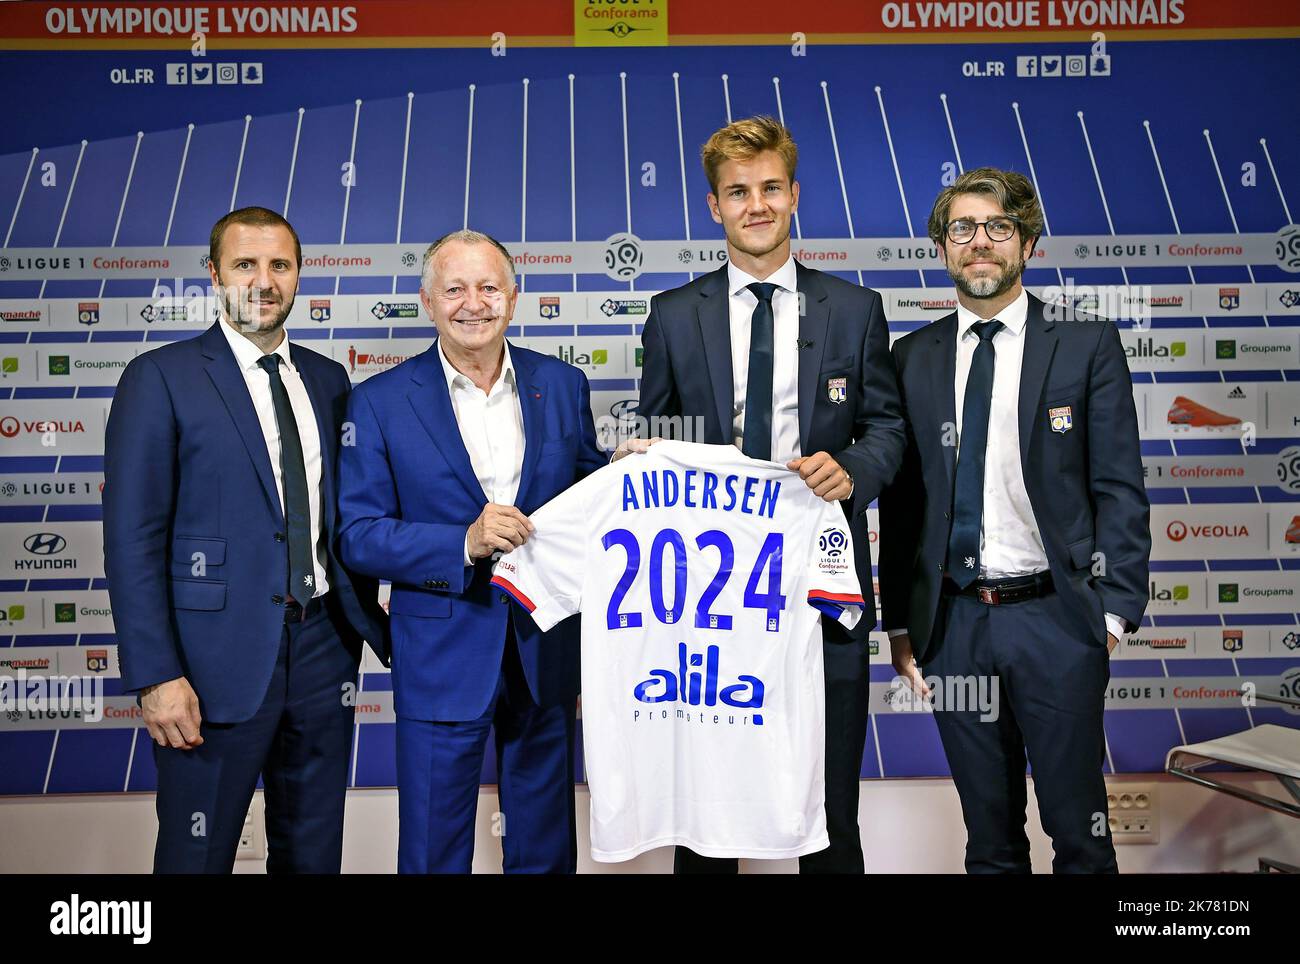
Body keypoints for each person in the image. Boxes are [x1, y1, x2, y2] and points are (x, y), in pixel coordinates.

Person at [632, 116, 906, 873]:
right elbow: (658, 438)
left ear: (794, 196)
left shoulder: (854, 310)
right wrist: (642, 456)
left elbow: (887, 428)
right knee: (708, 814)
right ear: (714, 206)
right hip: (708, 597)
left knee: (829, 808)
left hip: (822, 585)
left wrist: (852, 469)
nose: (756, 205)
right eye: (737, 192)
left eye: (771, 188)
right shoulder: (671, 315)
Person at [878, 167, 1151, 873]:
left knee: (1080, 837)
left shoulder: (1086, 344)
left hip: (1057, 619)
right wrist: (903, 625)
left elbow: (1119, 486)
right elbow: (903, 506)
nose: (980, 243)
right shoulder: (910, 360)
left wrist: (1112, 616)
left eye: (998, 227)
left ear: (1027, 242)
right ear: (942, 247)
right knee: (990, 844)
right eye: (962, 229)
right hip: (955, 626)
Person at [103, 206, 389, 873]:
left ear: (298, 276)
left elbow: (344, 517)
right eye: (245, 265)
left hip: (324, 653)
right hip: (207, 668)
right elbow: (132, 540)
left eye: (279, 265)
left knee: (313, 855)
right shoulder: (161, 377)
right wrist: (156, 675)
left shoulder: (327, 379)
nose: (263, 281)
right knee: (196, 855)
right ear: (213, 274)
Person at [337, 230, 604, 874]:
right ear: (428, 301)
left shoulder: (562, 385)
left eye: (488, 287)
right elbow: (359, 533)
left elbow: (589, 499)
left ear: (514, 297)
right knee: (433, 848)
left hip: (545, 647)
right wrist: (462, 542)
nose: (473, 303)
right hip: (440, 652)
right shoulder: (377, 402)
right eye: (454, 288)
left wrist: (629, 477)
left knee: (544, 846)